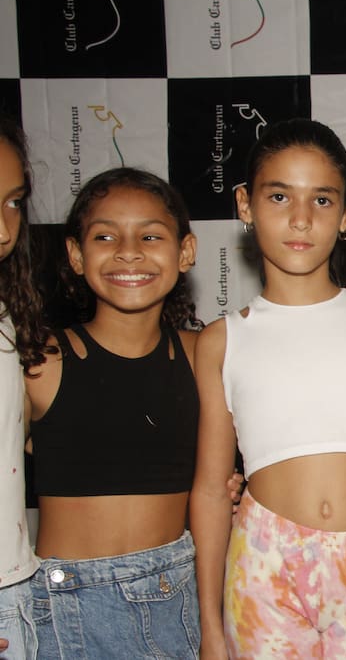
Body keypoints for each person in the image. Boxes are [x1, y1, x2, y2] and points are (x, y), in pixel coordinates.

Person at [190, 118, 346, 659]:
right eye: (278, 196)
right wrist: (209, 628)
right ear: (245, 205)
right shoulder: (223, 340)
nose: (300, 218)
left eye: (321, 200)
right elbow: (208, 488)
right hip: (261, 569)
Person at [24, 167, 203, 658]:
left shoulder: (206, 354)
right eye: (106, 236)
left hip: (178, 599)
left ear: (185, 251)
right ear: (76, 256)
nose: (129, 251)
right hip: (64, 607)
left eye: (150, 235)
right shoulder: (38, 362)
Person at [0, 117, 50, 659]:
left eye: (14, 201)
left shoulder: (9, 319)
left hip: (18, 585)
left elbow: (33, 437)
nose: (3, 228)